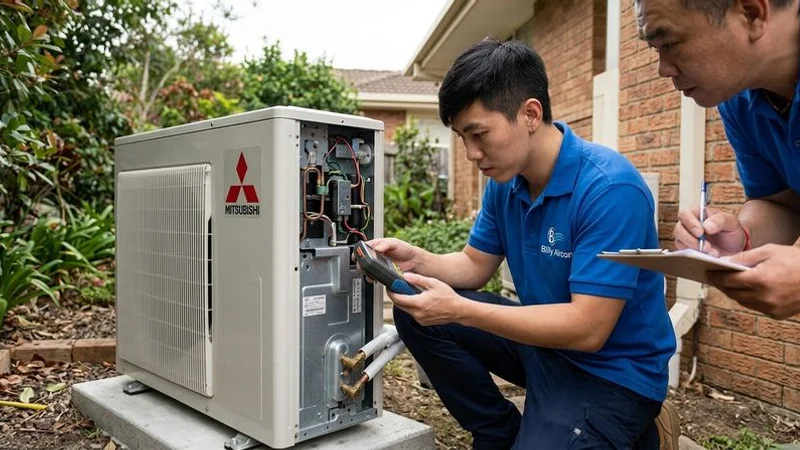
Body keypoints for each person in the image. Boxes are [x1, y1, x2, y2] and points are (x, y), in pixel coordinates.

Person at [365, 38, 679, 449]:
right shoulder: (506, 181)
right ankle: (497, 431)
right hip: (544, 346)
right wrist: (416, 259)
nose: (471, 153)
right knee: (414, 307)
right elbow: (475, 266)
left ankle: (641, 431)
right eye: (462, 137)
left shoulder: (609, 188)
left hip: (611, 373)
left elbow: (588, 329)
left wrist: (461, 309)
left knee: (449, 313)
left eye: (479, 134)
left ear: (531, 113)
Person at [635, 0, 800, 320]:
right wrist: (742, 237)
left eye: (668, 43)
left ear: (752, 15)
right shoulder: (738, 98)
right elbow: (782, 203)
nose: (663, 68)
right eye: (654, 49)